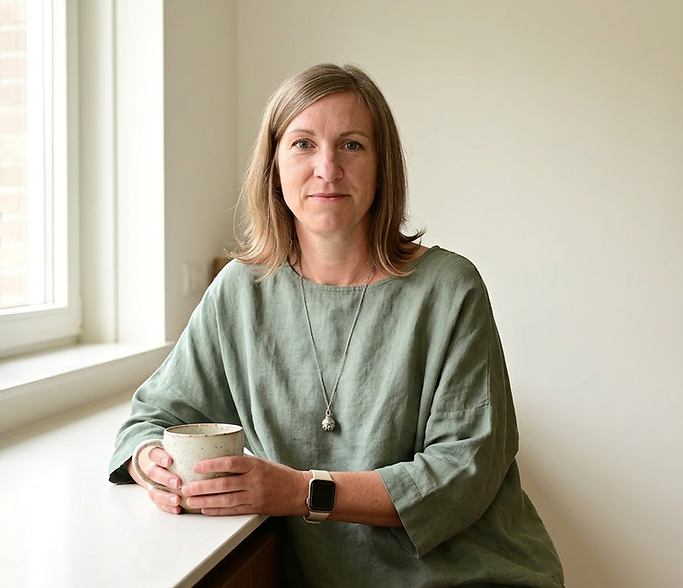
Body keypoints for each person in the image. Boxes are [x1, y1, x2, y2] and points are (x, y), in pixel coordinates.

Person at [109, 62, 564, 587]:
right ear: (274, 165)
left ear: (382, 165)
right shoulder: (239, 292)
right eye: (303, 144)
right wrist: (152, 463)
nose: (327, 168)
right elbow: (153, 415)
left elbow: (464, 471)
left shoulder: (450, 287)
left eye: (351, 145)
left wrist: (300, 491)